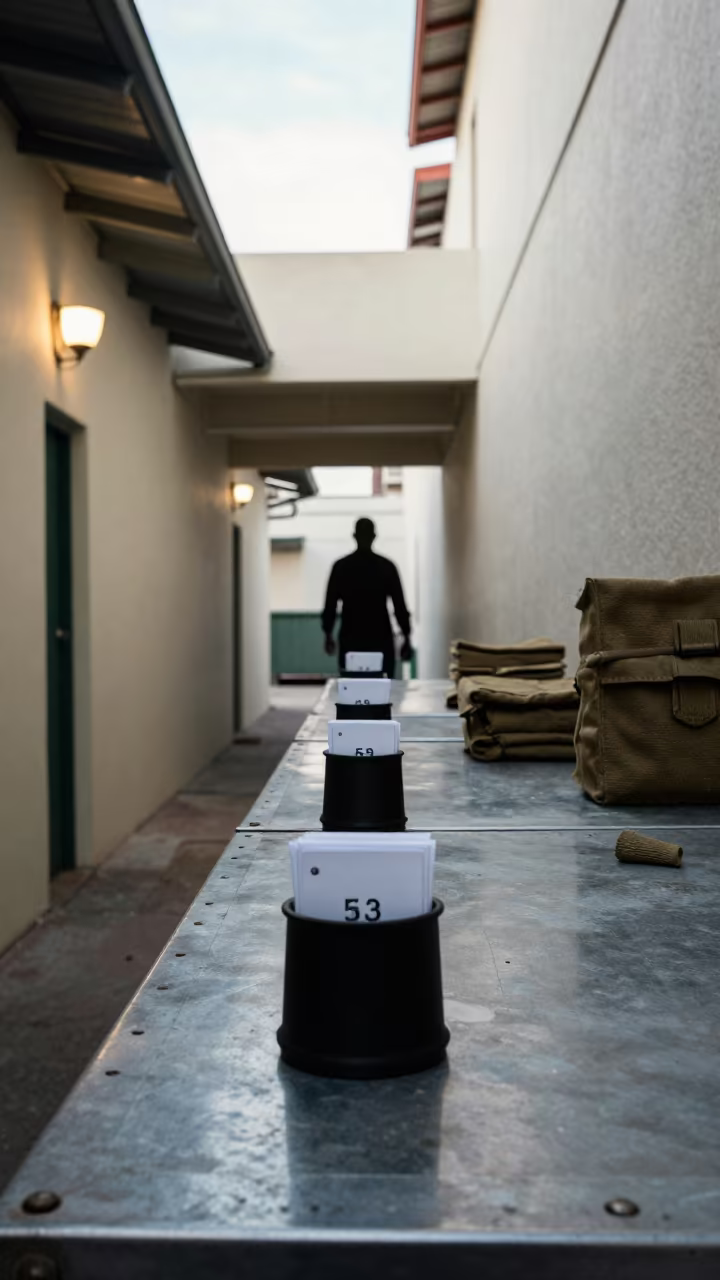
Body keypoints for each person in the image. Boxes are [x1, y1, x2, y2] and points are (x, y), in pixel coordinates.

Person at [321, 517, 413, 677]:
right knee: (383, 688)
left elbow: (331, 605)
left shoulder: (341, 567)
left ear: (354, 536)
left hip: (351, 637)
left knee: (352, 686)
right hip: (380, 636)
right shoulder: (387, 567)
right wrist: (406, 636)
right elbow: (399, 605)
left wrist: (328, 634)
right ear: (374, 537)